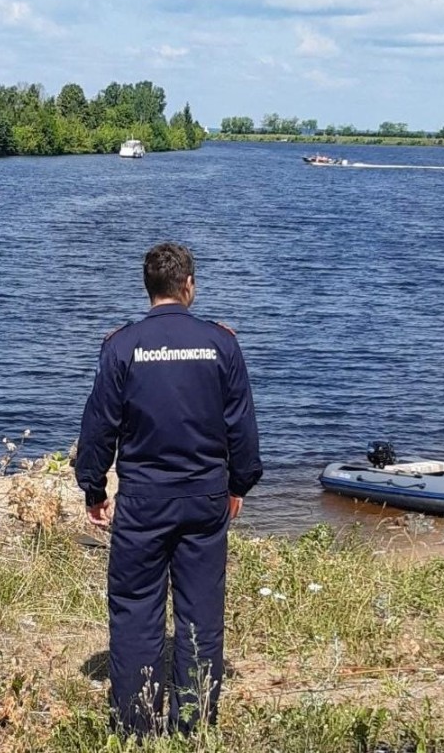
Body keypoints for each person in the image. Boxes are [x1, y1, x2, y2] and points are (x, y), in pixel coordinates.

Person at [75, 242, 263, 736]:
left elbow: (98, 427)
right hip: (204, 498)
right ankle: (195, 722)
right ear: (188, 286)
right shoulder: (222, 344)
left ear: (149, 288)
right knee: (201, 610)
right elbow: (242, 428)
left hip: (143, 500)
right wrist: (238, 484)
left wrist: (94, 489)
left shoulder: (121, 345)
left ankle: (137, 726)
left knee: (137, 606)